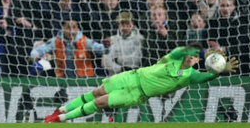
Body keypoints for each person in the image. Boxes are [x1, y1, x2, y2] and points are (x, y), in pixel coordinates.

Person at [44, 44, 239, 123]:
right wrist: (205, 52)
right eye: (191, 55)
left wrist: (220, 70)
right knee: (97, 91)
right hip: (132, 76)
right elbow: (184, 49)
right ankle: (59, 111)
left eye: (195, 59)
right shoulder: (173, 56)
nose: (190, 58)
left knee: (100, 103)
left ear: (198, 63)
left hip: (136, 94)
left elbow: (207, 77)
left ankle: (59, 119)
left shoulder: (190, 76)